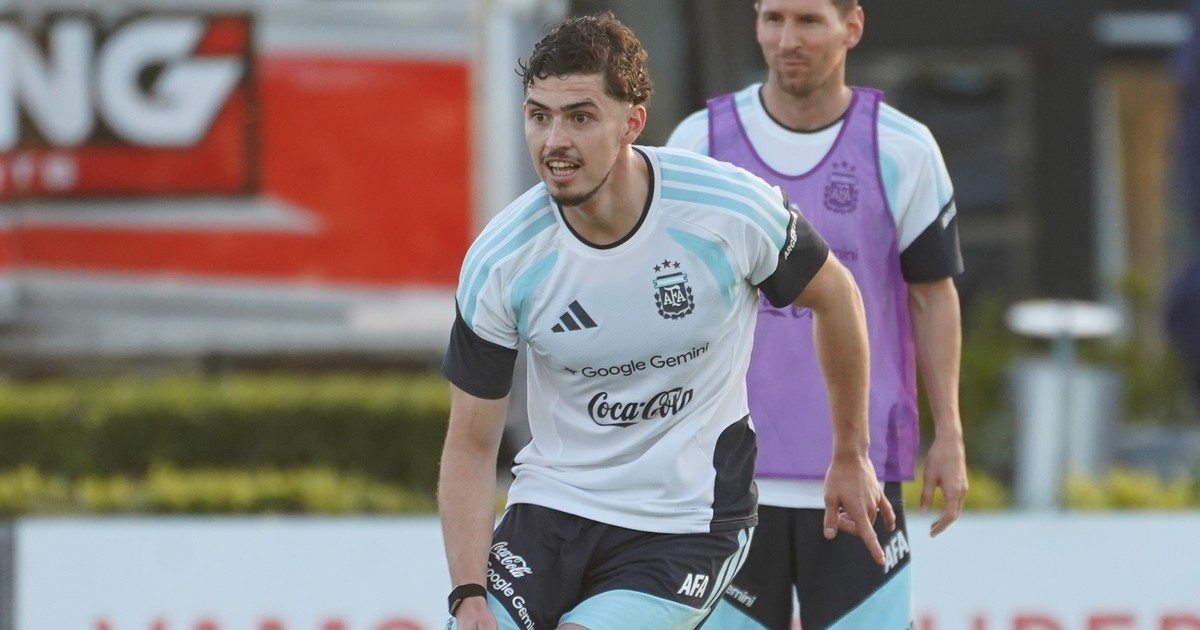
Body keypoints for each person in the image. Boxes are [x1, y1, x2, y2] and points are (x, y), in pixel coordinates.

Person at [438, 11, 893, 630]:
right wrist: (467, 594)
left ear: (632, 123)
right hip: (552, 514)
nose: (554, 141)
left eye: (580, 117)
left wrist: (851, 454)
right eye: (539, 116)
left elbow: (836, 297)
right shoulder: (501, 260)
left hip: (690, 523)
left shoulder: (730, 210)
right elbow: (470, 445)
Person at [666, 0, 968, 628]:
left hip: (861, 475)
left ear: (851, 26)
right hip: (725, 482)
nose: (787, 39)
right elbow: (668, 298)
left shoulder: (904, 149)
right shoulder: (700, 144)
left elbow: (931, 294)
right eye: (773, 18)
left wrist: (950, 432)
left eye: (808, 21)